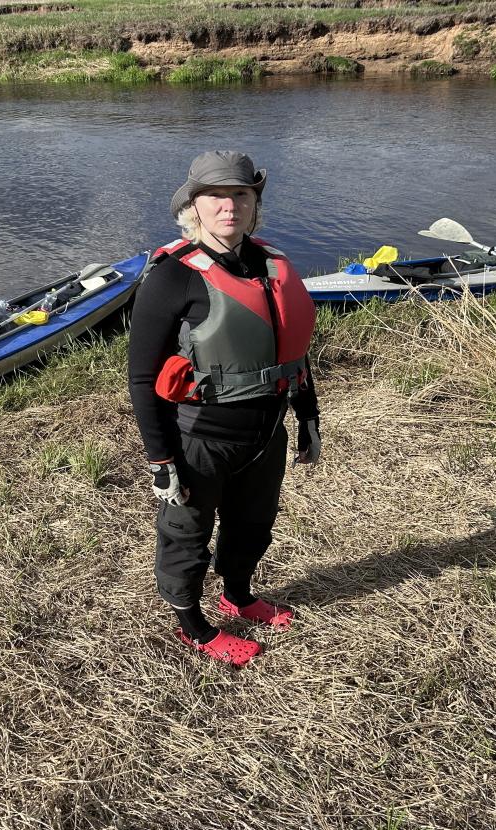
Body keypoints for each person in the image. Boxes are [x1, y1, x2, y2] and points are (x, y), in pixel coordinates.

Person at [128, 151, 321, 667]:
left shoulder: (273, 264)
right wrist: (160, 460)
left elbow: (294, 353)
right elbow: (144, 378)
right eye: (216, 196)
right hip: (201, 437)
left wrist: (308, 416)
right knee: (187, 534)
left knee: (254, 522)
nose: (229, 205)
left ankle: (237, 594)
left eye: (241, 194)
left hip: (265, 432)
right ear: (194, 207)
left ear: (255, 203)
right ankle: (192, 624)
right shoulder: (172, 277)